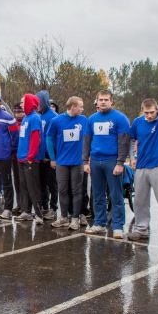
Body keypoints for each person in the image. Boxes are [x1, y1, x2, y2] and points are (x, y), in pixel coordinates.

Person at [128, 99, 158, 247]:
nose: (149, 115)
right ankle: (141, 229)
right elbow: (131, 140)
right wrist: (132, 158)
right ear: (142, 111)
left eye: (151, 112)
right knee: (140, 201)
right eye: (146, 112)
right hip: (142, 166)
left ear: (156, 110)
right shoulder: (137, 122)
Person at [83, 90, 131, 239]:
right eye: (100, 100)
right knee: (97, 195)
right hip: (96, 161)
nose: (103, 102)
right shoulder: (91, 119)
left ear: (112, 102)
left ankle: (118, 226)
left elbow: (124, 141)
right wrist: (85, 161)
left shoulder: (120, 118)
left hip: (113, 161)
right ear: (96, 102)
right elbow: (86, 141)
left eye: (106, 99)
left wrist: (120, 163)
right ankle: (99, 223)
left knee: (115, 195)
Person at [47, 96, 89, 230]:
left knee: (77, 191)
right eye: (80, 106)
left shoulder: (84, 120)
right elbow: (48, 138)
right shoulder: (56, 120)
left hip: (77, 162)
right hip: (62, 162)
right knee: (63, 190)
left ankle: (75, 218)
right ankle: (64, 217)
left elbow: (89, 139)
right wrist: (53, 158)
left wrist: (87, 157)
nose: (82, 109)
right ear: (73, 107)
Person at [14, 94, 43, 223]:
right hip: (21, 158)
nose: (21, 105)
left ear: (29, 103)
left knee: (33, 188)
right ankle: (26, 211)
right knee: (23, 186)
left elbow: (36, 139)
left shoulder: (35, 118)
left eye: (23, 102)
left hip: (30, 159)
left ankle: (38, 214)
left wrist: (30, 156)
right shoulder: (26, 118)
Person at [36, 90, 59, 221]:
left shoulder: (54, 116)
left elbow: (54, 139)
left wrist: (52, 157)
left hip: (51, 157)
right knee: (41, 183)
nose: (37, 105)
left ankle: (53, 208)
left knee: (52, 184)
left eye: (39, 102)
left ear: (44, 102)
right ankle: (44, 206)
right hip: (40, 157)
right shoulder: (38, 116)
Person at [11, 103, 25, 215]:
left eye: (20, 112)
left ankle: (26, 206)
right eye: (16, 112)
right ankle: (19, 204)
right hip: (14, 156)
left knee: (24, 182)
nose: (18, 114)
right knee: (17, 181)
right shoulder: (13, 123)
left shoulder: (27, 121)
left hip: (25, 156)